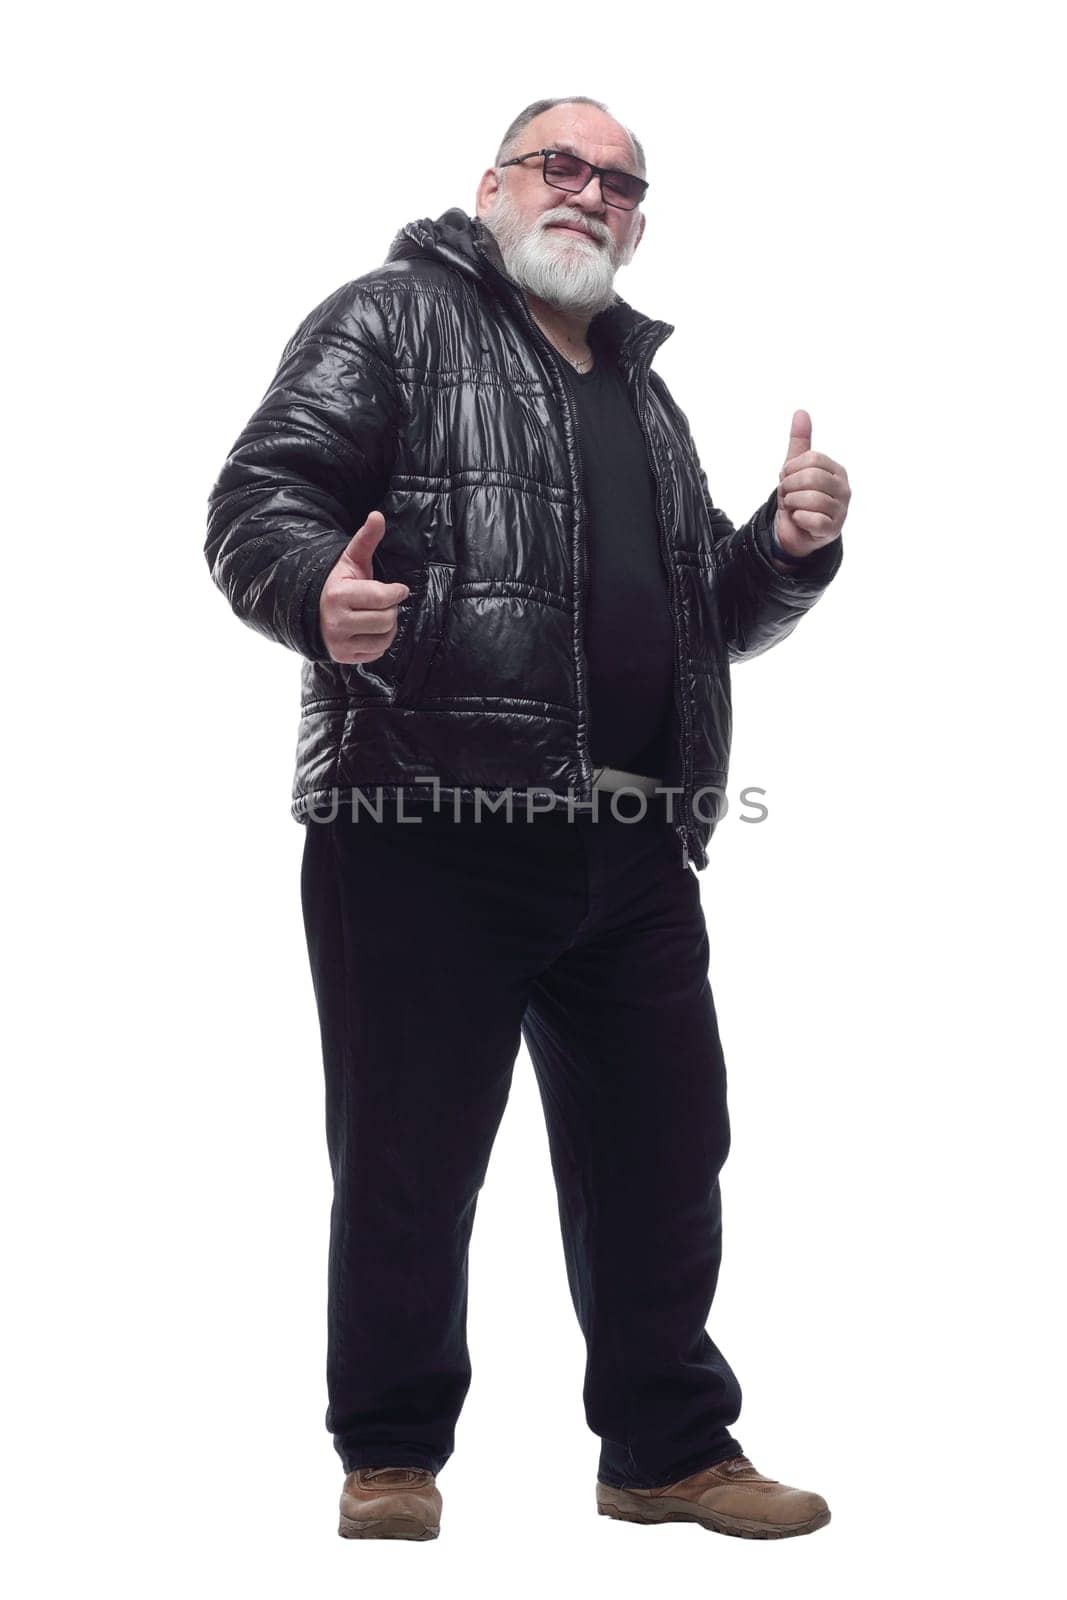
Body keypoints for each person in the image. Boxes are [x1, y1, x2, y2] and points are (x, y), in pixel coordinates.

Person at [204, 94, 851, 1544]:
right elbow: (260, 495)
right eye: (565, 166)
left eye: (623, 184)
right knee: (410, 1161)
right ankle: (388, 1451)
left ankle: (669, 1453)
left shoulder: (642, 392)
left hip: (629, 846)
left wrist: (789, 553)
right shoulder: (391, 318)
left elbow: (704, 622)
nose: (594, 195)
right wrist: (313, 589)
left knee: (668, 1151)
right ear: (494, 183)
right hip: (422, 823)